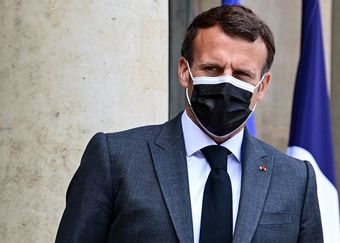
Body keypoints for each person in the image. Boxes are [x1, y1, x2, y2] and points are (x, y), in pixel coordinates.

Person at [56, 5, 323, 243]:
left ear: (262, 86)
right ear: (185, 71)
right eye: (212, 69)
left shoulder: (296, 178)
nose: (226, 82)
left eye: (242, 74)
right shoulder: (115, 158)